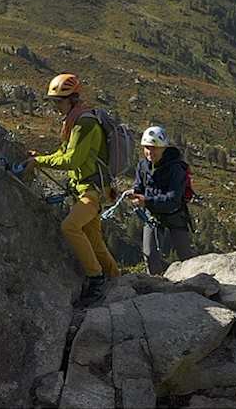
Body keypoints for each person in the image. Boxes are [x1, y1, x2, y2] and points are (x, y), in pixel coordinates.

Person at [24, 73, 120, 305]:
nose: (56, 106)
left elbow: (72, 160)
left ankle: (96, 278)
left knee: (70, 226)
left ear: (73, 99)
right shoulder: (75, 120)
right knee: (94, 239)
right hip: (90, 189)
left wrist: (39, 162)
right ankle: (116, 278)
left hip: (91, 191)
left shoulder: (84, 124)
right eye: (54, 101)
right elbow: (64, 153)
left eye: (59, 101)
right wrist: (42, 157)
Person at [129, 126, 194, 275]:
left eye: (154, 148)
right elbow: (139, 186)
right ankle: (156, 283)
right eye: (147, 148)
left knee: (186, 257)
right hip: (153, 215)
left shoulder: (176, 168)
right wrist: (135, 194)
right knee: (149, 254)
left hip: (174, 214)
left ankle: (198, 282)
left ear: (163, 148)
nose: (149, 152)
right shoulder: (143, 166)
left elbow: (173, 199)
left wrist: (146, 201)